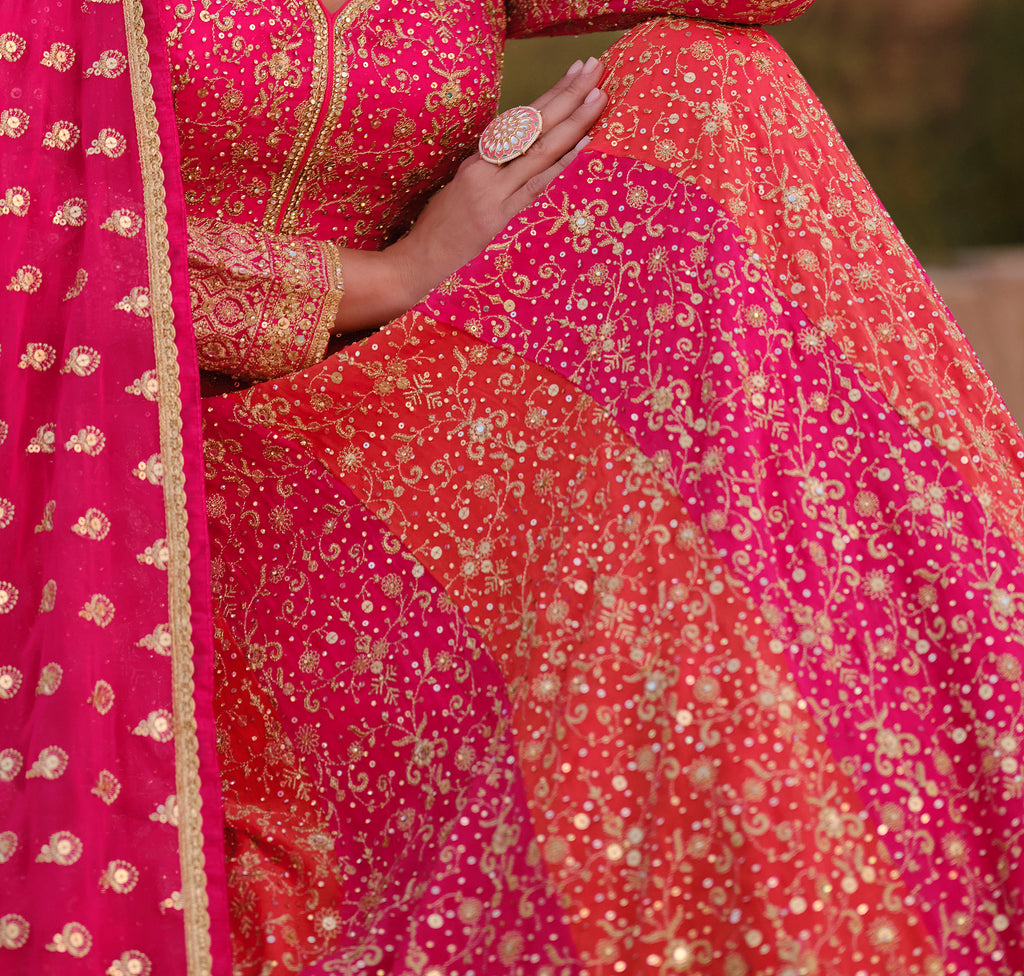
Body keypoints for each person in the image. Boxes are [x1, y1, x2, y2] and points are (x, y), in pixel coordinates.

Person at [2, 0, 1023, 974]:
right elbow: (37, 238)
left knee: (715, 77)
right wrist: (393, 274)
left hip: (406, 420)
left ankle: (930, 742)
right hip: (147, 466)